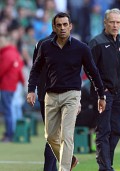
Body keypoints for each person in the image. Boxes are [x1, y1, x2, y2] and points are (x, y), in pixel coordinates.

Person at [27, 12, 106, 171]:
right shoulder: (45, 46)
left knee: (67, 136)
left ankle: (64, 168)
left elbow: (93, 72)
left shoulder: (81, 48)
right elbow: (36, 70)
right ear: (53, 27)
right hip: (50, 95)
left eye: (65, 25)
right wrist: (31, 90)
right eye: (59, 25)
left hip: (72, 95)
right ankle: (70, 160)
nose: (62, 28)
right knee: (50, 137)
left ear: (70, 26)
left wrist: (101, 94)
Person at [88, 8, 120, 171]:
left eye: (118, 22)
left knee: (116, 130)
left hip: (117, 92)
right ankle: (105, 167)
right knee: (103, 130)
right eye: (112, 22)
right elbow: (89, 70)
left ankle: (107, 164)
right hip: (102, 94)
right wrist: (101, 91)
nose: (115, 25)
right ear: (105, 23)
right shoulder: (96, 42)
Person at [32, 22, 57, 170]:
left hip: (43, 93)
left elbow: (35, 68)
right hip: (58, 94)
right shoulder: (68, 44)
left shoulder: (40, 43)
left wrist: (33, 89)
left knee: (53, 135)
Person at [0, 33, 25, 142]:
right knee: (13, 109)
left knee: (8, 110)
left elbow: (1, 70)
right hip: (13, 85)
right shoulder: (14, 53)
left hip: (6, 85)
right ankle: (12, 132)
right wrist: (22, 81)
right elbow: (20, 69)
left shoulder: (7, 54)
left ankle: (10, 134)